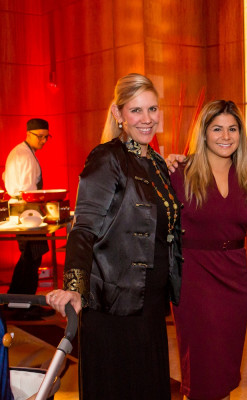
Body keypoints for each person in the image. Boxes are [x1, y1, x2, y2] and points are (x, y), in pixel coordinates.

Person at [45, 73, 182, 400]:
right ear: (119, 115)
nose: (147, 119)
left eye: (153, 109)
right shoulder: (107, 158)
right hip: (112, 308)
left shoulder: (157, 164)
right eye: (136, 111)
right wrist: (75, 289)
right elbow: (83, 229)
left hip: (149, 304)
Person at [170, 100, 247, 400]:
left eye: (232, 129)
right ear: (203, 133)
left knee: (225, 368)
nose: (225, 136)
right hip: (195, 280)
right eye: (217, 128)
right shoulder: (180, 171)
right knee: (201, 368)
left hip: (235, 280)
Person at [3, 118, 51, 296]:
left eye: (46, 137)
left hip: (21, 209)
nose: (43, 141)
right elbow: (27, 191)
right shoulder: (24, 155)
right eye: (40, 136)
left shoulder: (19, 151)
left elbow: (5, 177)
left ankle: (15, 297)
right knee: (32, 257)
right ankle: (24, 304)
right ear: (28, 134)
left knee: (29, 257)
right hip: (27, 210)